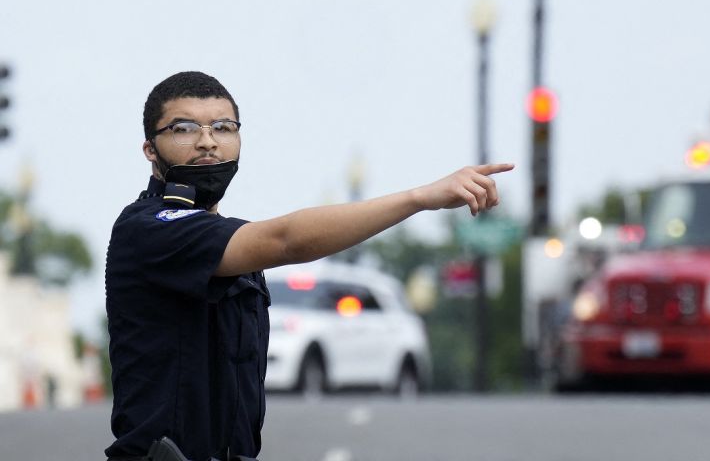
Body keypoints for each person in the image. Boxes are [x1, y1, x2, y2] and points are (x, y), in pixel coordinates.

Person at [104, 71, 513, 461]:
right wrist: (419, 198)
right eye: (184, 128)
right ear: (149, 148)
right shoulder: (151, 229)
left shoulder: (224, 241)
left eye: (224, 128)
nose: (208, 142)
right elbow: (287, 240)